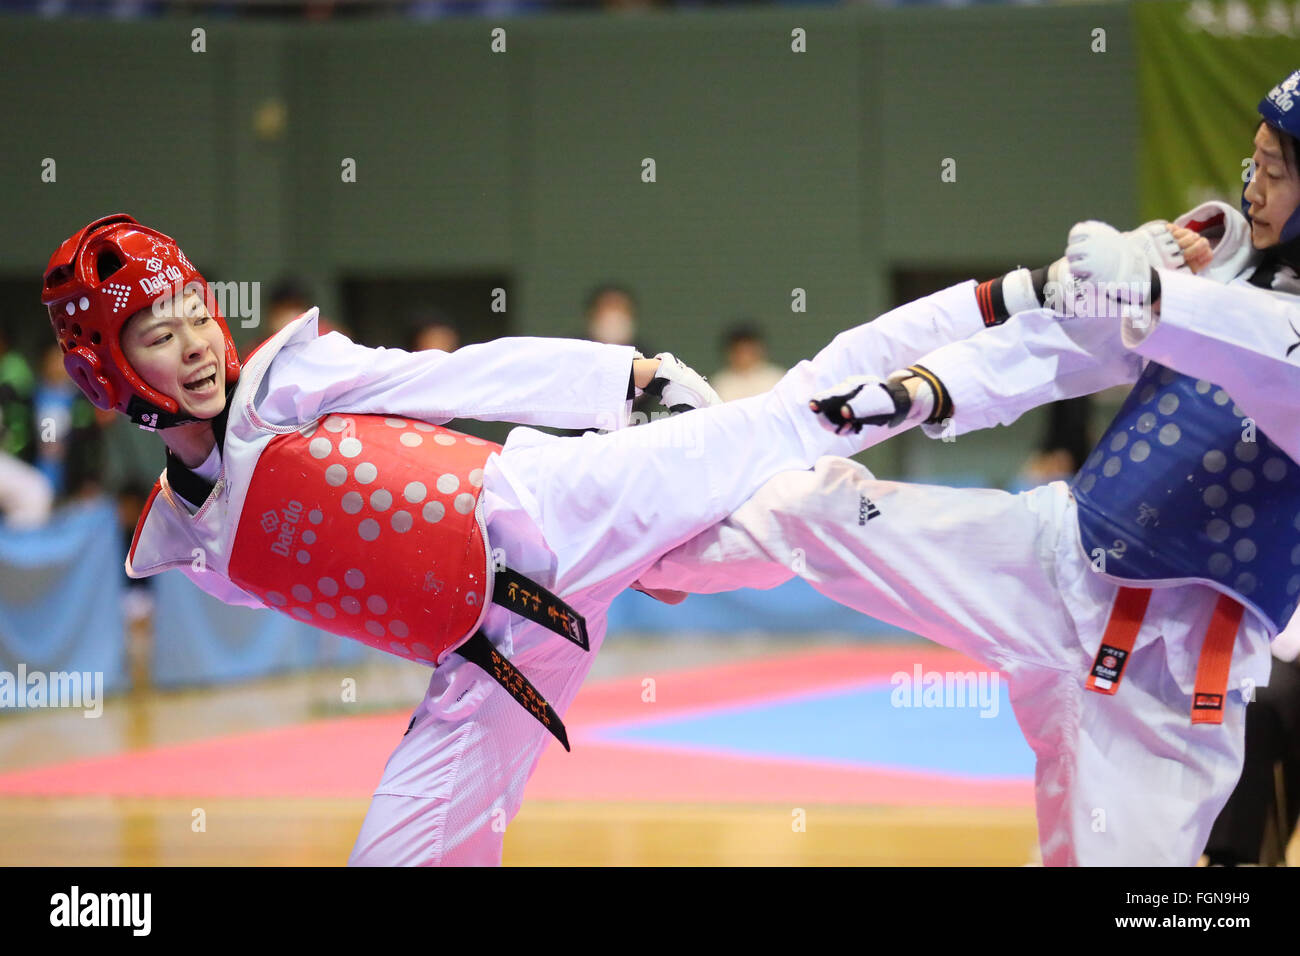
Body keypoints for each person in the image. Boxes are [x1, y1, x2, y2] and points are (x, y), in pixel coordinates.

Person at [41, 213, 985, 866]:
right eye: (158, 334)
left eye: (197, 313)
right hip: (495, 664)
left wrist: (626, 377)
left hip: (559, 507)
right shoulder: (186, 545)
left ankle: (1006, 313)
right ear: (104, 370)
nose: (197, 343)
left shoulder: (285, 385)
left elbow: (461, 376)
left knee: (796, 434)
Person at [639, 71, 1300, 866]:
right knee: (815, 512)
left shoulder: (1225, 304)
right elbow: (1061, 346)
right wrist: (922, 392)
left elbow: (1264, 350)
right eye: (1252, 162)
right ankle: (634, 540)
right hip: (1049, 560)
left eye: (1274, 170)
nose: (1251, 185)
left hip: (1167, 677)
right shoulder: (1225, 261)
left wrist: (1154, 290)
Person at [711, 322, 785, 402]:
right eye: (739, 351)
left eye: (748, 350)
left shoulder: (776, 379)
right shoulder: (721, 383)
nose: (744, 356)